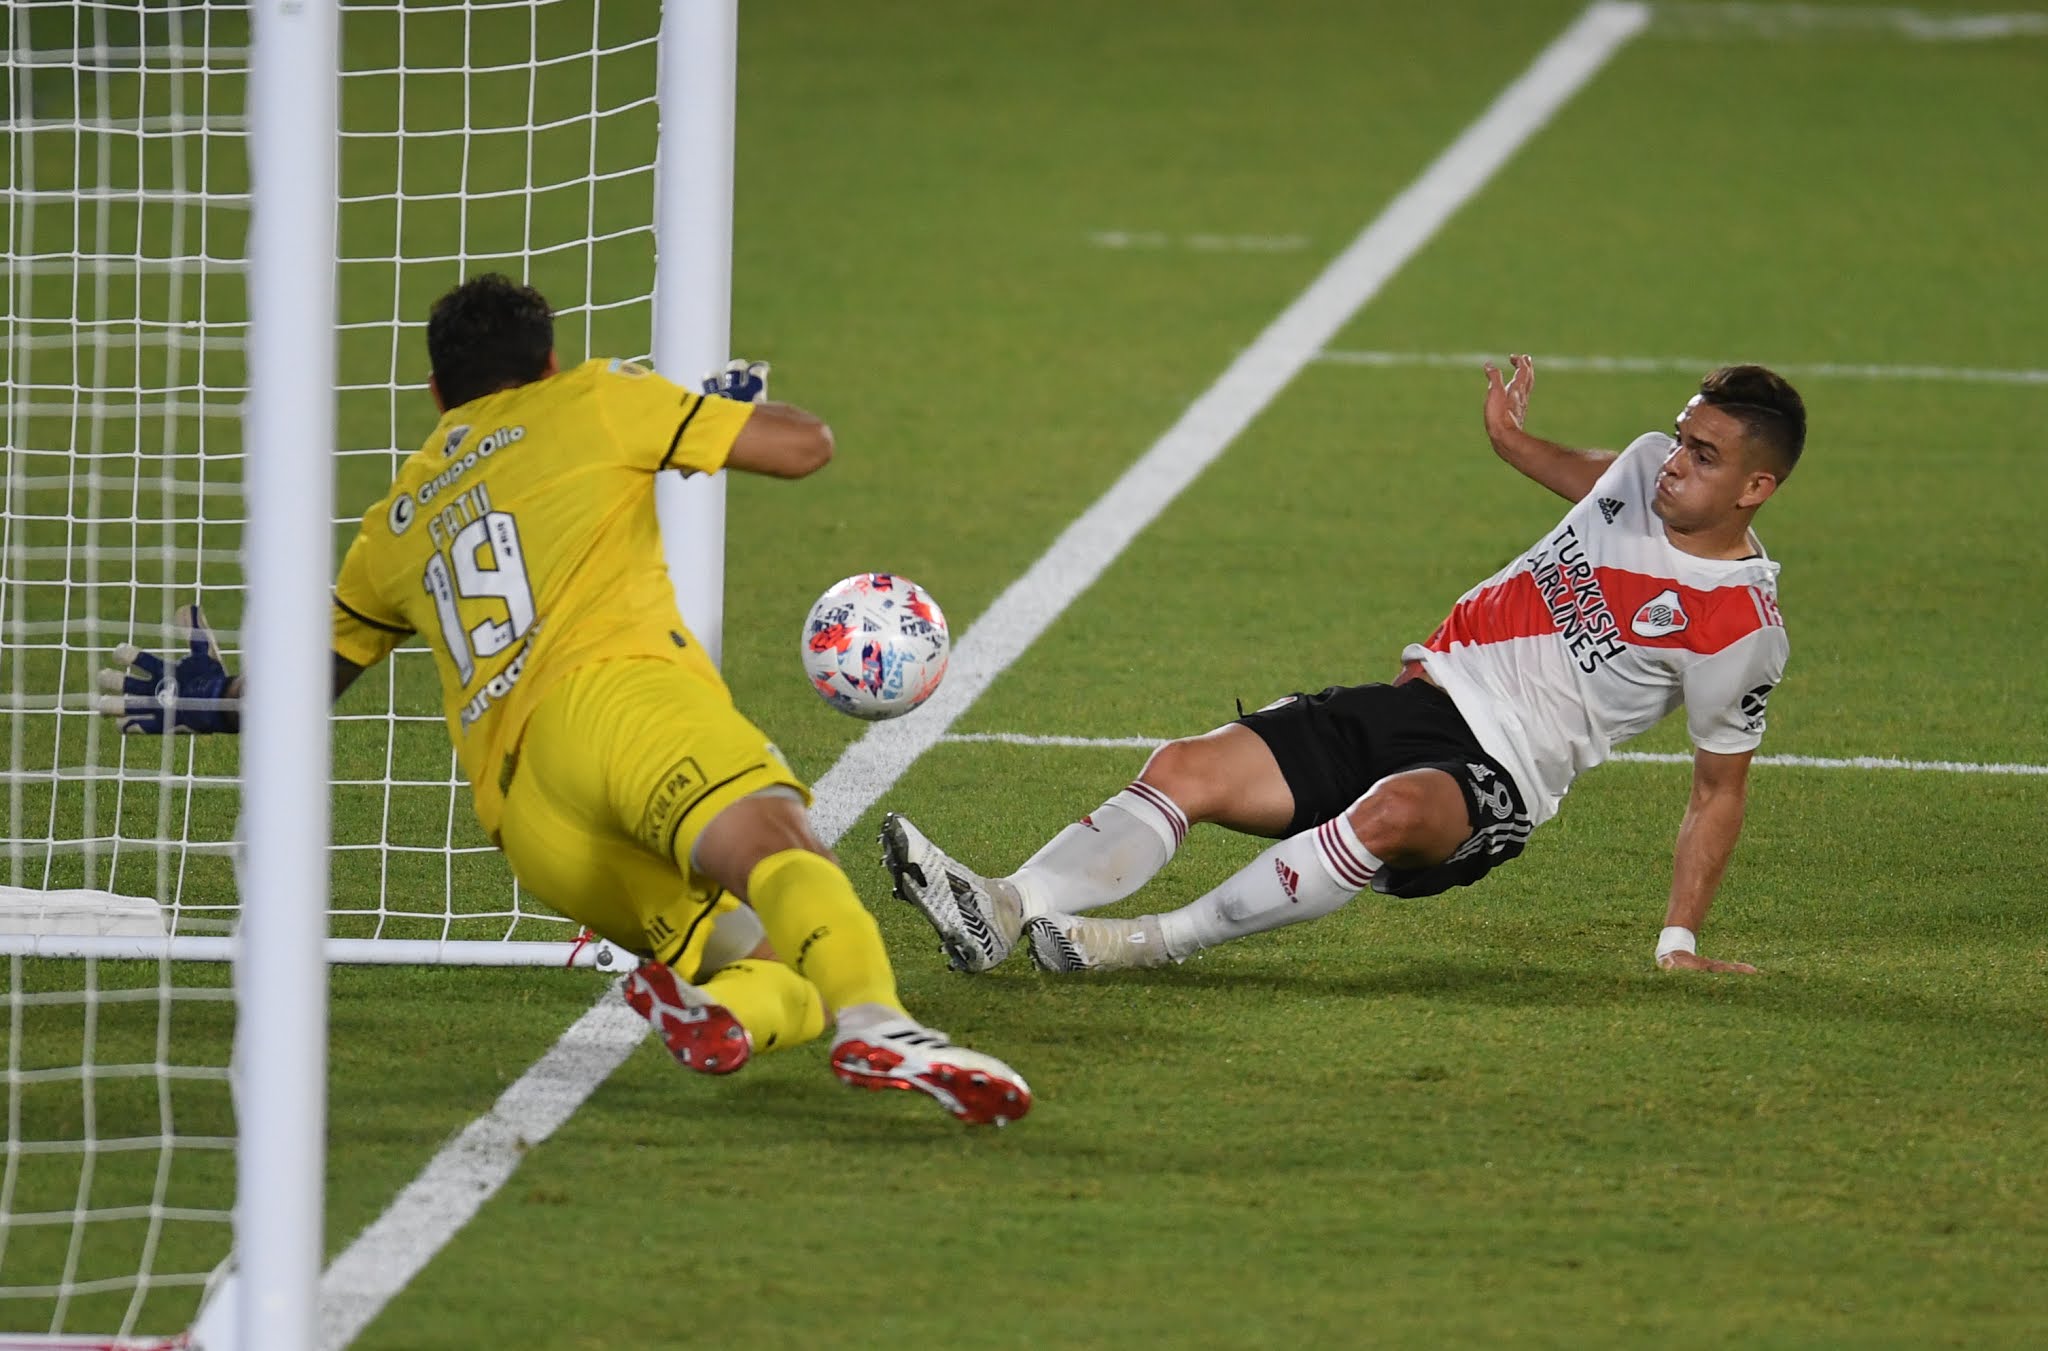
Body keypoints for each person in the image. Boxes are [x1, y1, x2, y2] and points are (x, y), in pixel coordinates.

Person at [100, 273, 1029, 1126]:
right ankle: (883, 1021)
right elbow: (803, 448)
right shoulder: (594, 396)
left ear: (436, 393)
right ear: (548, 359)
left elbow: (296, 694)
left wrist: (219, 700)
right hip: (620, 706)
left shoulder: (395, 520)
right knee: (781, 846)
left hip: (532, 828)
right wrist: (703, 408)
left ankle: (721, 1015)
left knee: (787, 958)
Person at [883, 355, 1801, 979]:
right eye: (1680, 437)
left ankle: (1141, 942)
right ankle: (1003, 907)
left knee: (1392, 811)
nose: (1674, 463)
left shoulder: (1739, 627)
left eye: (1703, 455)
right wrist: (1511, 439)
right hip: (1415, 699)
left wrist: (1678, 938)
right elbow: (1604, 477)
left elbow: (1719, 789)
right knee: (1185, 766)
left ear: (1755, 488)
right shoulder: (1646, 469)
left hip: (1502, 774)